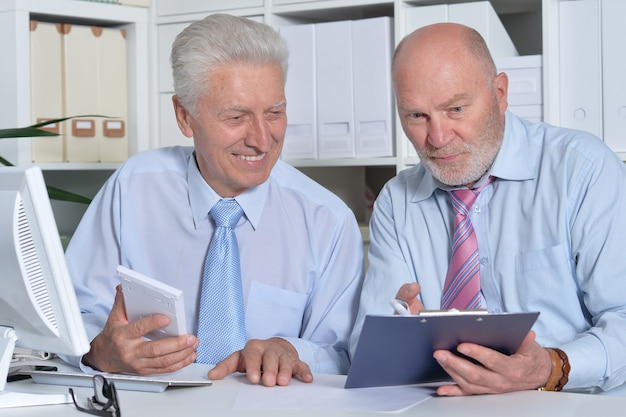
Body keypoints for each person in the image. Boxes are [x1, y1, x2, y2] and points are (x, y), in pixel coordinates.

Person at [63, 13, 364, 387]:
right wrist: (99, 350)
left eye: (275, 113)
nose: (261, 139)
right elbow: (70, 311)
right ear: (185, 116)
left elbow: (344, 353)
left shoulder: (327, 220)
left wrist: (290, 349)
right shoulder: (132, 188)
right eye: (236, 117)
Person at [350, 22, 626, 396]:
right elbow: (364, 347)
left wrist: (551, 366)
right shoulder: (396, 203)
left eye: (456, 108)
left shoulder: (582, 170)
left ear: (500, 93)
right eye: (416, 116)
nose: (438, 138)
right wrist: (398, 345)